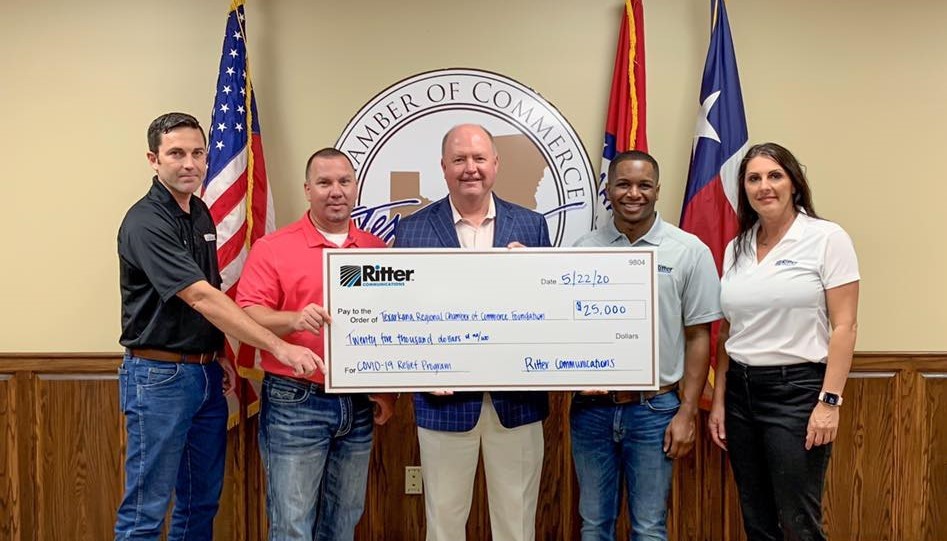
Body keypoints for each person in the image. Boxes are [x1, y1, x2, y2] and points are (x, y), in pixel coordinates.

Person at [116, 112, 322, 540]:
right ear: (153, 160)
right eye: (176, 154)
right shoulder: (145, 222)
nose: (189, 163)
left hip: (206, 374)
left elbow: (212, 293)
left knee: (200, 502)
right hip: (158, 377)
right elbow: (200, 296)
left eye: (197, 153)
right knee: (145, 510)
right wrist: (280, 348)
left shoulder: (201, 213)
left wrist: (220, 353)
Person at [393, 124, 550, 541]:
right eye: (459, 159)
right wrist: (424, 369)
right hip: (443, 403)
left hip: (516, 403)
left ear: (495, 164)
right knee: (443, 526)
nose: (470, 168)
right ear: (443, 167)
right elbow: (399, 315)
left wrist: (533, 276)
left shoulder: (532, 227)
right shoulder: (410, 231)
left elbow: (550, 314)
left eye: (479, 158)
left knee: (517, 526)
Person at [235, 148, 396, 541]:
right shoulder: (274, 247)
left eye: (344, 182)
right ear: (308, 189)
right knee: (292, 523)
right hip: (295, 400)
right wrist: (292, 319)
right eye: (324, 183)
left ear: (355, 187)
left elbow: (393, 326)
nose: (335, 191)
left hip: (358, 404)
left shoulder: (379, 251)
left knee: (344, 521)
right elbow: (245, 314)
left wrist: (387, 392)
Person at [707, 143, 859, 541]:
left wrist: (829, 403)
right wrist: (721, 400)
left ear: (794, 182)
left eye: (774, 176)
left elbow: (845, 327)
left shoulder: (826, 238)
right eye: (754, 178)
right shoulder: (736, 247)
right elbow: (729, 331)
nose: (764, 186)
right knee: (756, 519)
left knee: (798, 521)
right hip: (740, 393)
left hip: (797, 392)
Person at [570, 150, 722, 541]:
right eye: (623, 184)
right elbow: (565, 328)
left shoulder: (688, 251)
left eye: (643, 185)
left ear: (657, 191)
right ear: (608, 189)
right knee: (593, 525)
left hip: (655, 410)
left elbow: (698, 335)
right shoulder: (582, 250)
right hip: (592, 411)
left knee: (650, 527)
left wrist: (687, 413)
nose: (632, 193)